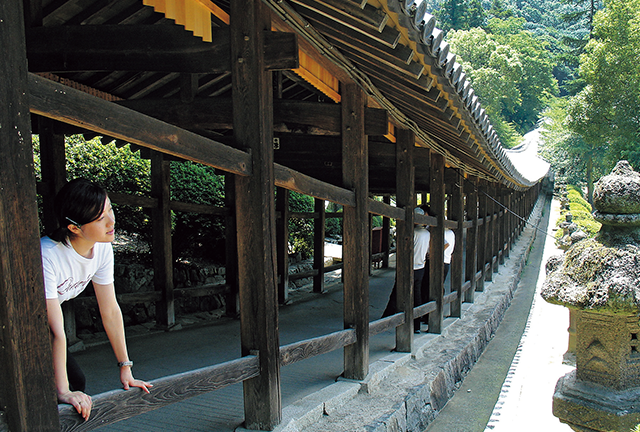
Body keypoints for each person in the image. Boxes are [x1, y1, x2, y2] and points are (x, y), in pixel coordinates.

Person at [42, 178, 152, 421]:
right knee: (52, 388)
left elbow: (110, 309)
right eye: (101, 218)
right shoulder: (47, 256)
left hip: (40, 324)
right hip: (14, 326)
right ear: (74, 228)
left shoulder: (101, 248)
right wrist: (63, 391)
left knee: (75, 381)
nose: (111, 222)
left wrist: (126, 368)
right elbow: (54, 329)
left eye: (110, 209)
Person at [381, 207, 430, 333]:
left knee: (397, 292)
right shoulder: (427, 233)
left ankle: (386, 320)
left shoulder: (412, 233)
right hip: (421, 267)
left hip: (409, 267)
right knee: (417, 295)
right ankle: (416, 324)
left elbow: (405, 251)